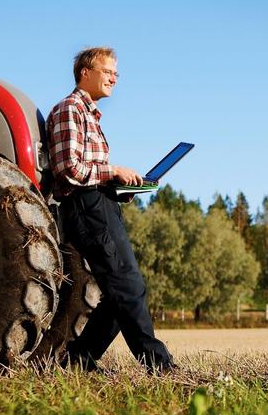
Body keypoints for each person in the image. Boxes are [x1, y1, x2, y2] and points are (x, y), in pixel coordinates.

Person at [46, 46, 177, 374]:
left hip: (100, 205)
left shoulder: (89, 114)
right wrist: (113, 171)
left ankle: (79, 358)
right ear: (85, 73)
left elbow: (87, 171)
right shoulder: (69, 110)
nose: (114, 78)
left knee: (125, 289)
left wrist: (122, 188)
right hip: (84, 207)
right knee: (127, 286)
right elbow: (68, 170)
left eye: (116, 74)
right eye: (108, 72)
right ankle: (159, 365)